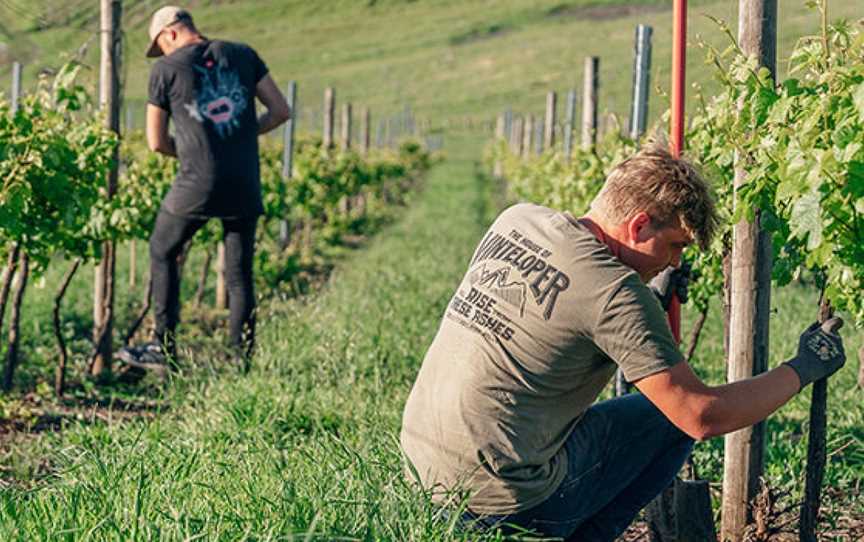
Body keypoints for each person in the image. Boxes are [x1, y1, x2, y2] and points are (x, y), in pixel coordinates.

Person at [399, 145, 846, 541]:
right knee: (666, 421)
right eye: (675, 245)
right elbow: (700, 416)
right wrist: (802, 368)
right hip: (506, 506)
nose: (675, 260)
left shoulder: (517, 220)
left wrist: (650, 293)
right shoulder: (617, 296)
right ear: (638, 225)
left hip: (422, 475)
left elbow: (563, 309)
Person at [118, 6, 291, 371]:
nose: (163, 53)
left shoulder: (164, 70)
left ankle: (163, 348)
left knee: (162, 250)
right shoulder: (243, 55)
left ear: (171, 34)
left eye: (160, 45)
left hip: (197, 181)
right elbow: (280, 111)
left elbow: (155, 142)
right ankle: (241, 360)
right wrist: (239, 138)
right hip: (244, 180)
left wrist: (195, 148)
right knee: (239, 273)